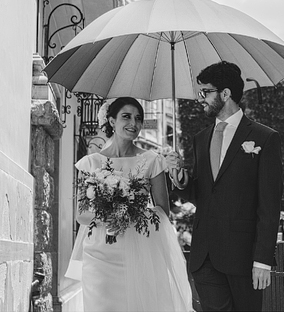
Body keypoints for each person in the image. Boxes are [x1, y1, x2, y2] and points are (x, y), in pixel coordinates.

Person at [166, 61, 283, 312]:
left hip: (244, 258)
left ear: (225, 94)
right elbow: (203, 194)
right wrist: (179, 177)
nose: (200, 99)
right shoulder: (200, 139)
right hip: (204, 256)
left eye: (204, 92)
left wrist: (262, 260)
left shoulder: (265, 138)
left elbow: (269, 206)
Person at [64, 97, 193, 311]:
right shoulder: (91, 162)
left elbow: (162, 211)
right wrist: (109, 211)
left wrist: (130, 212)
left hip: (141, 250)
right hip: (100, 255)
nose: (134, 123)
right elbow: (81, 214)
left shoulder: (152, 160)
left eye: (138, 119)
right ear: (112, 121)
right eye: (126, 117)